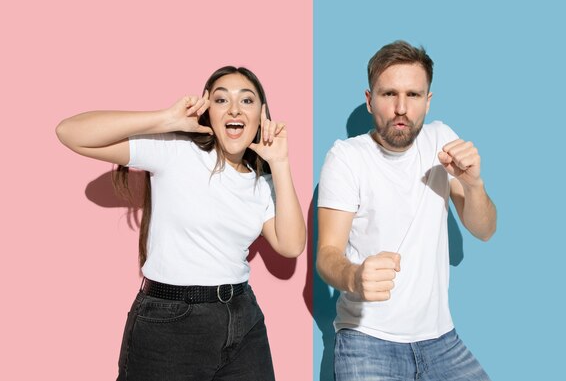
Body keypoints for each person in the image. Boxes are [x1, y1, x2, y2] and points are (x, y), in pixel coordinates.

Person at [56, 66, 306, 381]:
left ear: (261, 114)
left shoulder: (263, 182)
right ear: (208, 111)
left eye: (247, 100)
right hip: (171, 321)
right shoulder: (175, 150)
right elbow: (70, 132)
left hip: (243, 318)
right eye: (221, 100)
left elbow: (291, 244)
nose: (234, 109)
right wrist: (164, 119)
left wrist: (280, 163)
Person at [316, 41, 497, 381]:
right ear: (370, 100)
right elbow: (327, 255)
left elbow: (485, 229)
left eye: (413, 95)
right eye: (389, 94)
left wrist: (473, 185)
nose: (401, 108)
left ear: (427, 101)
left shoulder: (442, 141)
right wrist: (355, 276)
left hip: (442, 341)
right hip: (367, 339)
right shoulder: (346, 158)